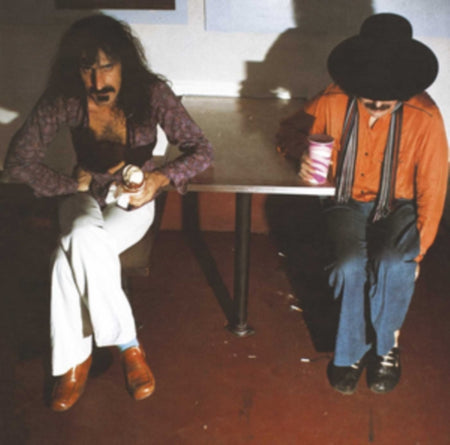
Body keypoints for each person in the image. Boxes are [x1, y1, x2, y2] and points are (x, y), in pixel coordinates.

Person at [5, 14, 213, 411]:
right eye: (87, 68)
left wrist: (159, 179)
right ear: (75, 68)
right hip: (83, 193)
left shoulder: (152, 93)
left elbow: (202, 150)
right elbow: (19, 161)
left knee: (64, 258)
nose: (98, 81)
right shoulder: (64, 98)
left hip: (133, 200)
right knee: (81, 234)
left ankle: (73, 362)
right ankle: (129, 346)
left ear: (124, 64)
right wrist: (70, 185)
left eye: (107, 66)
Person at [277, 13, 448, 394]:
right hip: (347, 200)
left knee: (395, 263)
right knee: (348, 265)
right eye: (368, 91)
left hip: (401, 204)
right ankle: (351, 350)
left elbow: (433, 189)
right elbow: (288, 130)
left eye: (388, 95)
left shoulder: (426, 116)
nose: (376, 102)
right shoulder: (333, 98)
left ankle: (386, 347)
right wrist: (299, 153)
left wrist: (417, 254)